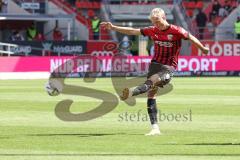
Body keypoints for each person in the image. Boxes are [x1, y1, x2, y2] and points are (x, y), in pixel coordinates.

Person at [101, 8, 209, 136]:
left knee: (151, 82)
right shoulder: (152, 30)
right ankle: (155, 128)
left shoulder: (176, 30)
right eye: (154, 22)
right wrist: (113, 27)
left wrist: (202, 48)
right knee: (151, 95)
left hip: (168, 67)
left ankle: (131, 92)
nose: (156, 24)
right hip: (155, 65)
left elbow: (191, 37)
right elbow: (132, 31)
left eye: (157, 21)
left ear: (164, 17)